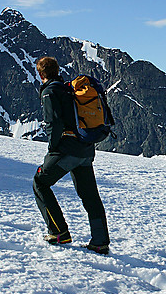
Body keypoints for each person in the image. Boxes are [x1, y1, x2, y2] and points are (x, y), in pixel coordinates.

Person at [33, 57, 110, 254]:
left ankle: (59, 232)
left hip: (67, 150)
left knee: (40, 182)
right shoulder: (68, 89)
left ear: (41, 74)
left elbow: (54, 124)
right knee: (90, 195)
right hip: (85, 149)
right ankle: (100, 241)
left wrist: (53, 149)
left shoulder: (50, 92)